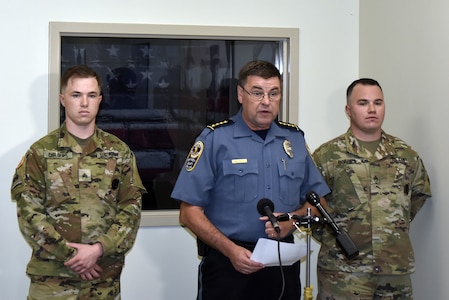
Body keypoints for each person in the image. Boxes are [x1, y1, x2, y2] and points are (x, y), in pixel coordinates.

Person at [171, 60, 330, 300]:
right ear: (240, 94)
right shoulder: (216, 139)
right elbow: (189, 212)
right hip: (227, 264)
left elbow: (319, 204)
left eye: (273, 93)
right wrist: (230, 250)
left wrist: (293, 222)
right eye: (257, 92)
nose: (266, 101)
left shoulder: (293, 139)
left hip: (281, 264)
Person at [11, 65, 146, 299]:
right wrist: (70, 255)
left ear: (100, 99)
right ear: (63, 99)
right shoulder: (41, 153)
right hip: (52, 283)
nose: (84, 103)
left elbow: (131, 210)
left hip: (102, 281)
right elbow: (29, 214)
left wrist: (99, 249)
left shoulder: (119, 152)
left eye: (91, 95)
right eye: (76, 95)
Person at [312, 78, 432, 299]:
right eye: (363, 103)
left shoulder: (406, 155)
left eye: (378, 102)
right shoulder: (326, 156)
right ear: (348, 110)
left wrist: (390, 223)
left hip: (394, 270)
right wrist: (337, 236)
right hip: (343, 273)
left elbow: (418, 195)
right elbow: (312, 207)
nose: (371, 109)